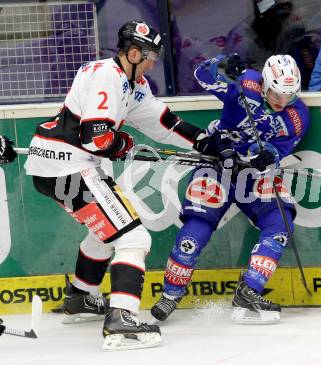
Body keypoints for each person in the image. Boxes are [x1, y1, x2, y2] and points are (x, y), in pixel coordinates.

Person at [23, 20, 231, 351]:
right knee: (132, 237)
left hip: (55, 167)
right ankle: (122, 320)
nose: (152, 62)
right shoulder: (107, 76)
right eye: (148, 56)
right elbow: (96, 138)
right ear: (132, 53)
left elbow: (163, 123)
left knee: (105, 231)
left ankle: (79, 297)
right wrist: (120, 143)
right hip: (70, 168)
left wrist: (205, 142)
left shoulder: (132, 83)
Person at [150, 53, 310, 324]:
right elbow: (201, 74)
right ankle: (170, 293)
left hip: (253, 173)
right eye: (277, 94)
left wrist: (267, 156)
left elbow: (280, 149)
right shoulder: (246, 82)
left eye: (290, 96)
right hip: (217, 164)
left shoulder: (298, 115)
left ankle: (250, 290)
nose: (282, 102)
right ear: (264, 83)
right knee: (195, 230)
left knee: (281, 221)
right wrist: (222, 64)